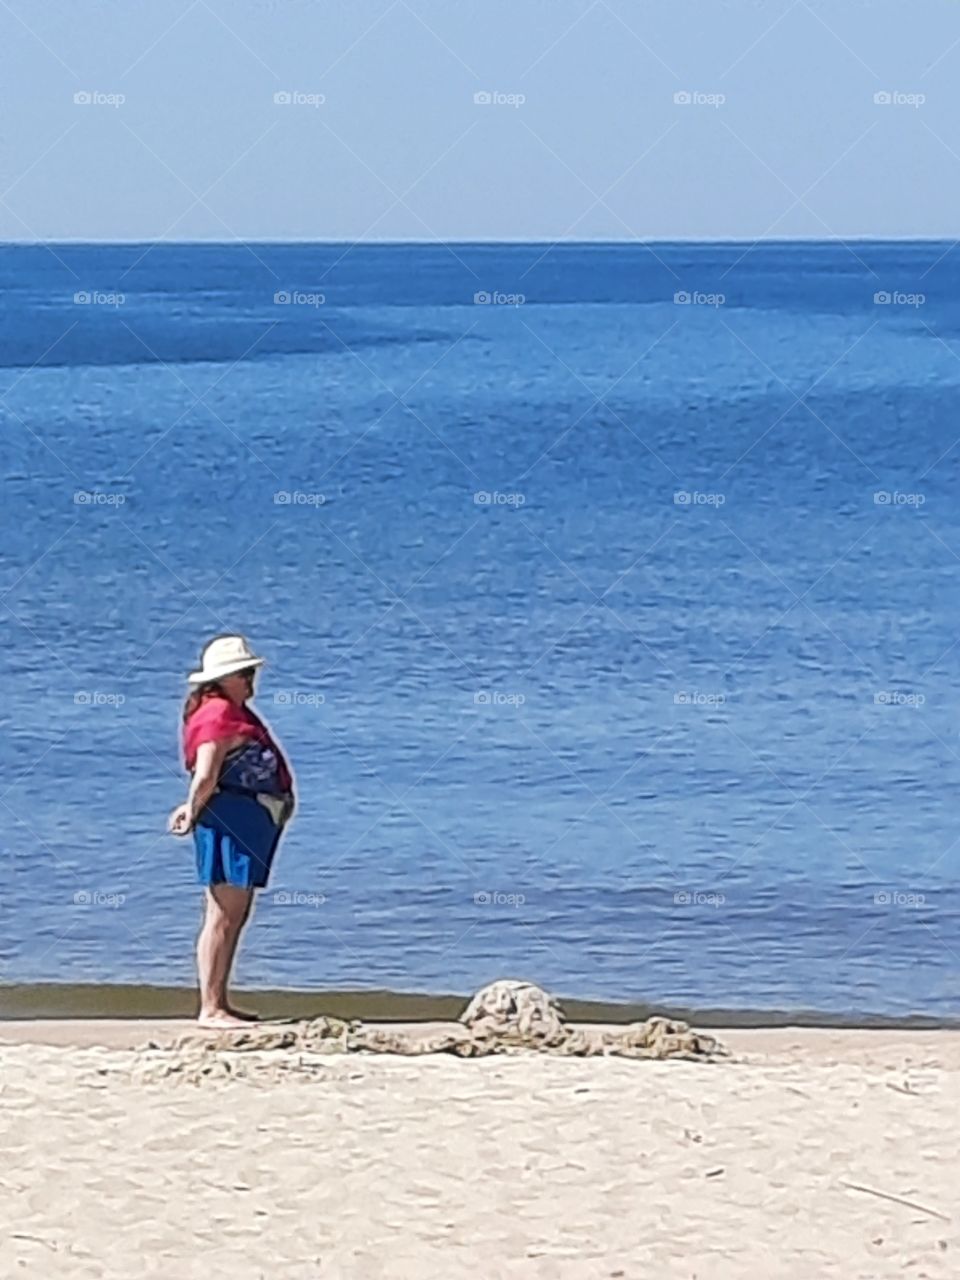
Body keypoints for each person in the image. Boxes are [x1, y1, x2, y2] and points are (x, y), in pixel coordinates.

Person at [168, 635, 295, 1028]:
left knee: (232, 915)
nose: (250, 680)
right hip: (231, 820)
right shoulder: (217, 713)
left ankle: (219, 1001)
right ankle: (211, 1007)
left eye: (250, 672)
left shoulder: (227, 710)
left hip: (243, 818)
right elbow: (206, 771)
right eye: (243, 673)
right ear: (223, 678)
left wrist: (193, 804)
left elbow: (211, 775)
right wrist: (192, 808)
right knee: (223, 914)